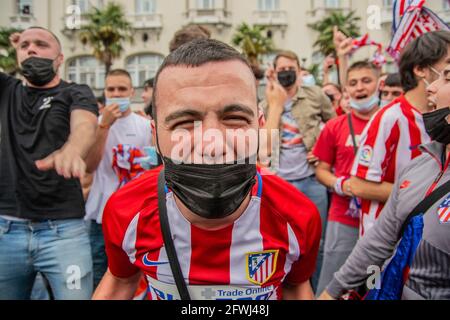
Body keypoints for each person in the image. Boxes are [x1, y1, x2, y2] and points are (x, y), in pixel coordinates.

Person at [93, 39, 321, 300]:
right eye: (185, 123)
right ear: (154, 136)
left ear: (259, 127)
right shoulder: (125, 211)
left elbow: (296, 287)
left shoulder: (299, 217)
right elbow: (121, 281)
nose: (212, 144)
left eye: (234, 119)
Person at [319, 60, 450, 300]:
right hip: (353, 225)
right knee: (368, 281)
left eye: (447, 77)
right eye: (352, 83)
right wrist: (330, 292)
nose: (430, 87)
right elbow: (379, 239)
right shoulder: (417, 159)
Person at [0, 27, 98, 300]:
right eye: (25, 46)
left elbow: (85, 124)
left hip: (65, 233)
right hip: (6, 231)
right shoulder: (7, 90)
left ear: (60, 58)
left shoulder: (75, 92)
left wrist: (72, 150)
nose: (31, 49)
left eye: (42, 44)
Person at [343, 31, 450, 237]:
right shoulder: (390, 118)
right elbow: (358, 184)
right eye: (446, 66)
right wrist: (425, 194)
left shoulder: (440, 118)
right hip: (386, 242)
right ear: (420, 70)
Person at [261, 50, 335, 291]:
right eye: (281, 69)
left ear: (298, 68)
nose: (286, 72)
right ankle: (285, 289)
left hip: (312, 180)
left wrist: (323, 150)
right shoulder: (266, 103)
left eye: (290, 67)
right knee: (280, 242)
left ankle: (317, 290)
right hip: (279, 183)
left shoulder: (315, 95)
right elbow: (263, 146)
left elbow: (335, 126)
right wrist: (276, 105)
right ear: (274, 71)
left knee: (318, 242)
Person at [314, 61, 381, 295]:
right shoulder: (334, 126)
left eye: (366, 81)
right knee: (333, 285)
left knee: (377, 285)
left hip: (382, 220)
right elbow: (320, 170)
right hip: (344, 217)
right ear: (346, 90)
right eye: (353, 83)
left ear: (378, 83)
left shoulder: (391, 121)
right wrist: (340, 185)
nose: (360, 88)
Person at [84, 69, 153, 289]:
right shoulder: (94, 124)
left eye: (121, 89)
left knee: (138, 280)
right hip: (100, 216)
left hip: (138, 216)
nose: (116, 94)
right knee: (99, 277)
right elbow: (89, 166)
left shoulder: (144, 125)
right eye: (111, 89)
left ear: (132, 92)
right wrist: (104, 126)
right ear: (104, 92)